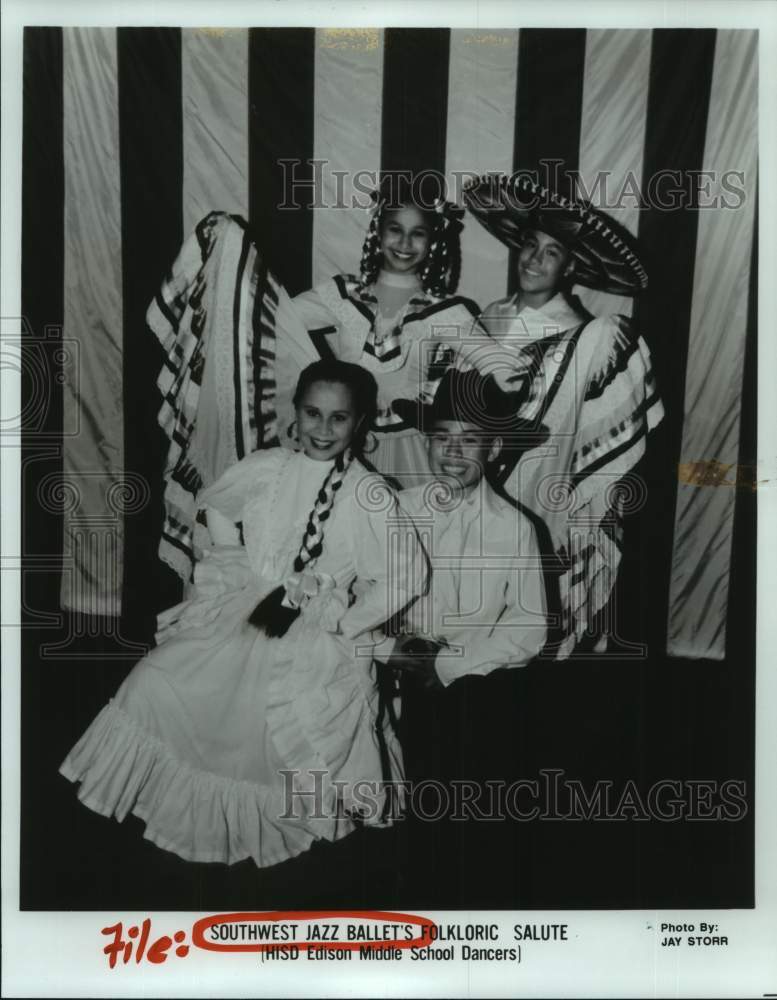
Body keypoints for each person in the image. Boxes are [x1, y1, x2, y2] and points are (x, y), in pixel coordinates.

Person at [60, 360, 427, 870]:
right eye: (312, 414)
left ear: (360, 423)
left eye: (338, 418)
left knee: (272, 723)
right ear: (294, 415)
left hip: (314, 629)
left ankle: (278, 838)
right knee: (156, 681)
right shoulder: (268, 467)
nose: (323, 429)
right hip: (246, 604)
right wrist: (234, 562)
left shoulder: (370, 496)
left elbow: (407, 576)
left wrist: (345, 620)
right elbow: (218, 504)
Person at [463, 173, 665, 659]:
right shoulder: (488, 316)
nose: (533, 260)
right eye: (530, 245)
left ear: (570, 267)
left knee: (520, 623)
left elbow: (591, 435)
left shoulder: (589, 339)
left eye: (551, 252)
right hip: (476, 480)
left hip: (539, 486)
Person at [292, 174, 483, 488]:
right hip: (341, 444)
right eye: (395, 230)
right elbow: (277, 321)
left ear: (432, 241)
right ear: (378, 233)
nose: (405, 244)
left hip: (414, 458)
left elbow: (496, 376)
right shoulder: (342, 296)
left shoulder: (447, 311)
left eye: (417, 234)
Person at [376, 367, 547, 690]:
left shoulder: (515, 529)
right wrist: (387, 649)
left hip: (475, 681)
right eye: (442, 437)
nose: (453, 451)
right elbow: (360, 587)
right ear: (428, 443)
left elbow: (530, 624)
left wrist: (448, 665)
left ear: (493, 449)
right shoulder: (397, 511)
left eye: (469, 439)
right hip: (391, 672)